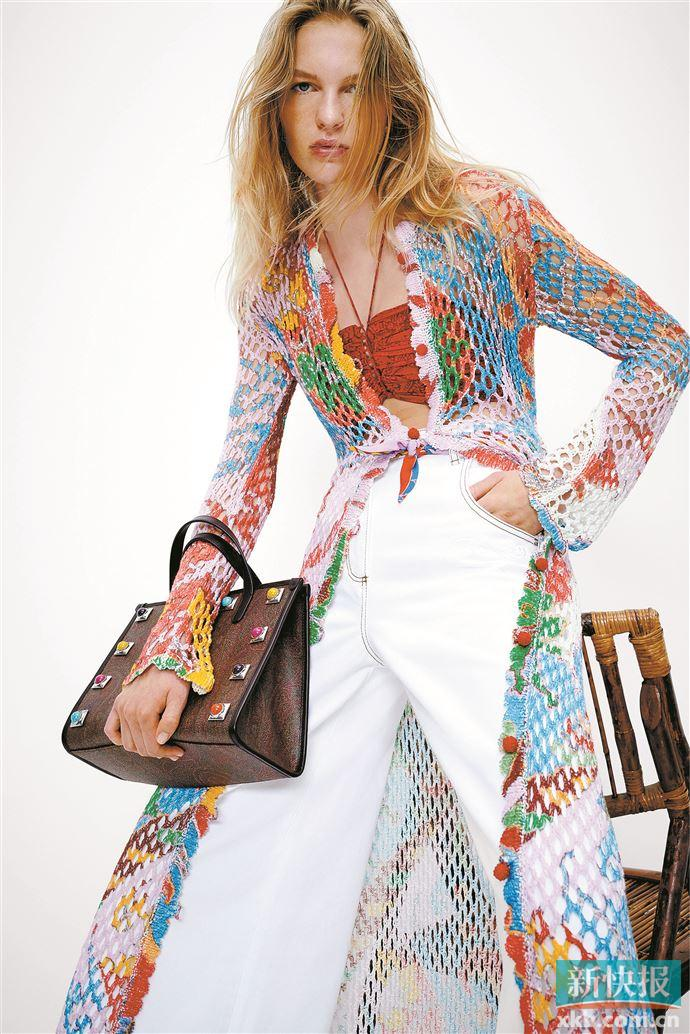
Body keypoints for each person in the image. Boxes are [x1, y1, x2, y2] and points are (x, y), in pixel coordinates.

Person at [57, 2, 689, 1032]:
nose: (329, 115)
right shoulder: (279, 281)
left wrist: (553, 492)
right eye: (306, 88)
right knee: (241, 834)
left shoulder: (486, 216)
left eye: (353, 88)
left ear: (392, 100)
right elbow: (239, 483)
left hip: (477, 550)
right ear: (275, 107)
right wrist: (174, 646)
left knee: (543, 847)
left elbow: (661, 345)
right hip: (345, 562)